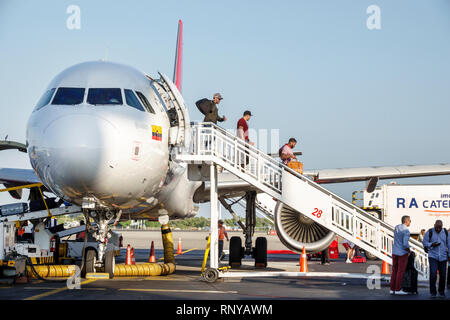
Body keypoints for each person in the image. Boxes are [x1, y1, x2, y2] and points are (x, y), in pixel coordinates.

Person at [422, 220, 449, 298]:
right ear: (434, 225)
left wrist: (449, 255)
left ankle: (441, 291)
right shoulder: (429, 232)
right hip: (433, 256)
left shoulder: (446, 233)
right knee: (433, 274)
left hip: (443, 257)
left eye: (439, 228)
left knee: (443, 275)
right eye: (436, 227)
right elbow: (424, 242)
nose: (438, 229)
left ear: (442, 226)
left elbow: (449, 244)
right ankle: (433, 292)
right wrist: (432, 244)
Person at [390, 215, 411, 295]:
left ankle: (392, 289)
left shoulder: (397, 227)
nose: (410, 222)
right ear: (406, 221)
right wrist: (409, 251)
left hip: (395, 251)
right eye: (409, 220)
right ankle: (398, 289)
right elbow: (405, 244)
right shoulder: (406, 230)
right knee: (400, 271)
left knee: (394, 271)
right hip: (402, 253)